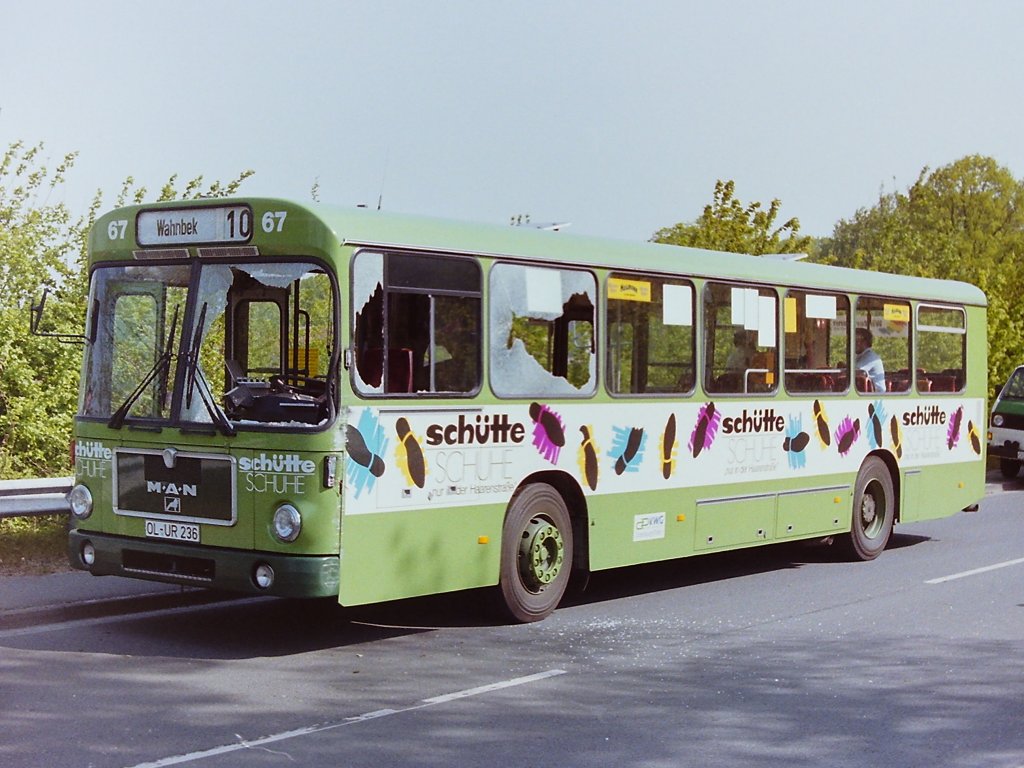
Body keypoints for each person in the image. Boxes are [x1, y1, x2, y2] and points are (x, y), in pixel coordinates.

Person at [855, 327, 886, 392]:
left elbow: (856, 372)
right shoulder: (861, 356)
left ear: (864, 342)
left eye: (856, 340)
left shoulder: (870, 357)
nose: (854, 344)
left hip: (876, 396)